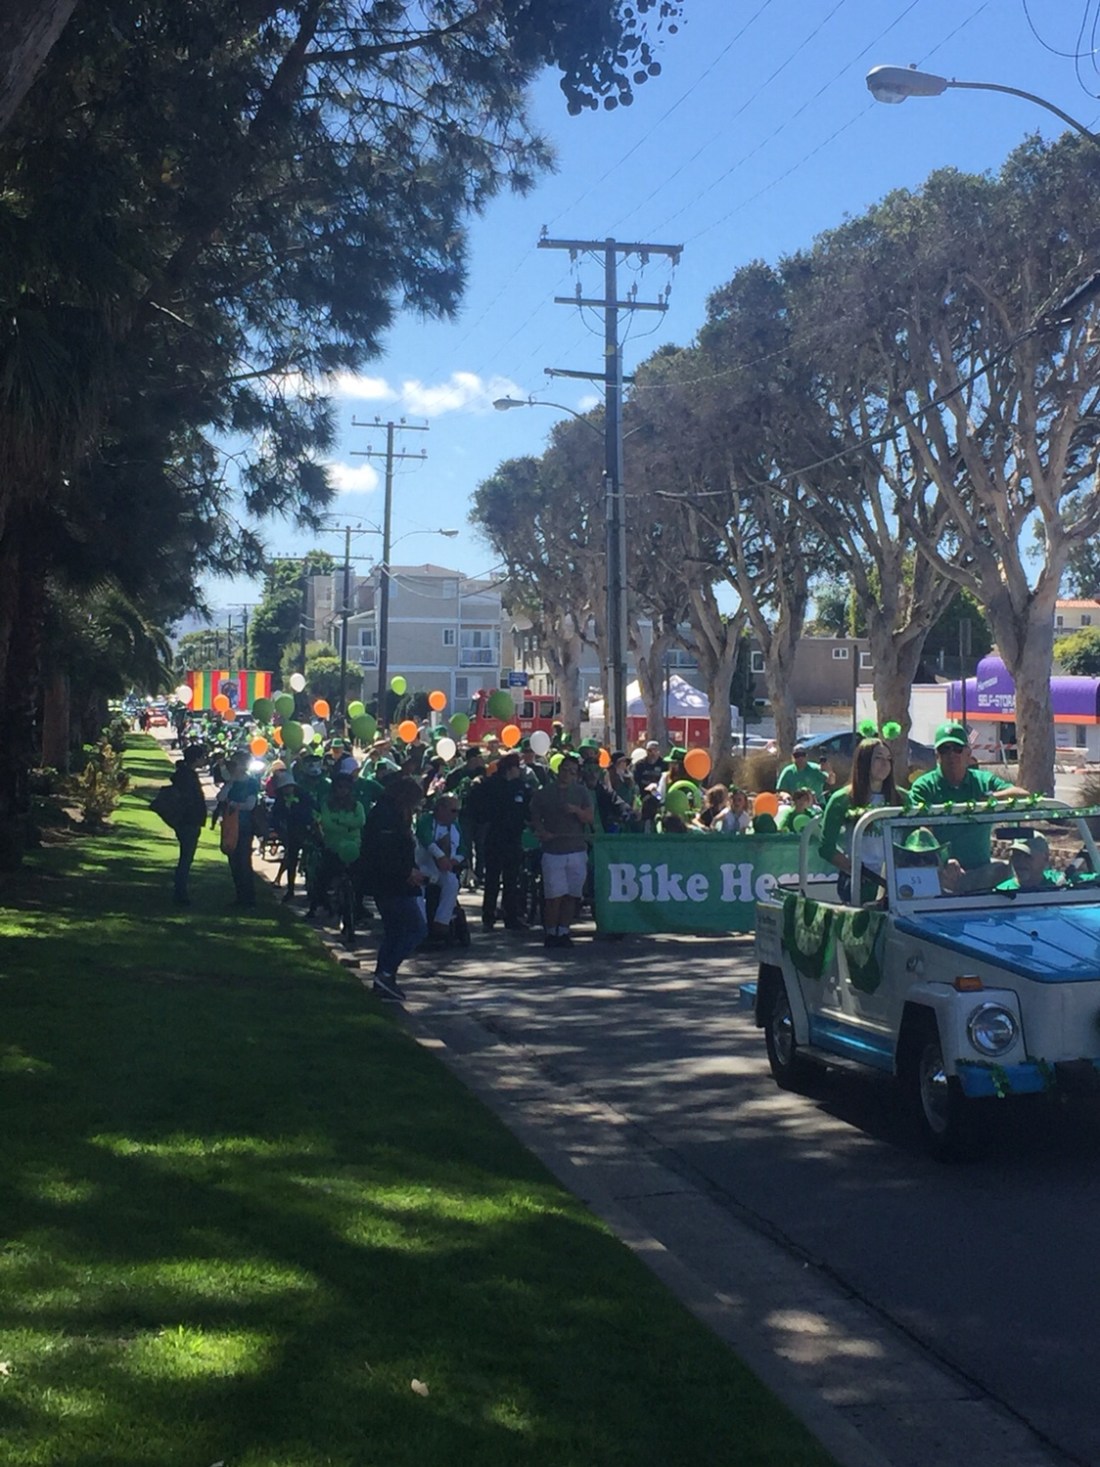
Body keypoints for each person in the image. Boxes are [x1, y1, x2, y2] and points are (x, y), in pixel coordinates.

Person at [909, 722, 1029, 886]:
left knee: (1002, 870)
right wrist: (943, 862)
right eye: (945, 749)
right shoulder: (924, 787)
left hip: (980, 874)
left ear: (968, 753)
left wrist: (990, 798)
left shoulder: (983, 781)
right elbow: (921, 834)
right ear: (937, 755)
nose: (951, 755)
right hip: (939, 874)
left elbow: (1023, 796)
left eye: (957, 749)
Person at [819, 737, 910, 903]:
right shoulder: (841, 799)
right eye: (878, 758)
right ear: (864, 761)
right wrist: (855, 870)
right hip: (859, 883)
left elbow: (913, 838)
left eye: (888, 759)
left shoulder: (903, 798)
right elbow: (826, 848)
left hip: (897, 880)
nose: (885, 764)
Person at [361, 775, 428, 1000]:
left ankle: (384, 977)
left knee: (394, 932)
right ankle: (387, 971)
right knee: (416, 929)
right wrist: (407, 871)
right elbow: (384, 853)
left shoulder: (391, 814)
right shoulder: (386, 817)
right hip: (391, 884)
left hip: (393, 881)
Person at [529, 752, 594, 949]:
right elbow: (533, 815)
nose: (568, 774)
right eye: (565, 770)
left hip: (576, 849)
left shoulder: (581, 792)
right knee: (553, 896)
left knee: (571, 895)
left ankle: (564, 931)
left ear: (577, 775)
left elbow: (589, 817)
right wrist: (541, 831)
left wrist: (576, 811)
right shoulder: (545, 792)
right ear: (559, 770)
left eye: (572, 772)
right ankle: (550, 932)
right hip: (553, 851)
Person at [480, 752, 530, 930]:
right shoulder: (491, 786)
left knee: (512, 878)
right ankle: (488, 915)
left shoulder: (521, 786)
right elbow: (481, 810)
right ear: (510, 768)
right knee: (492, 878)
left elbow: (527, 809)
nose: (519, 770)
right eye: (517, 767)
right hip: (495, 836)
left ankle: (511, 915)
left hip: (514, 837)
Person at [308, 772, 366, 919]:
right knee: (322, 878)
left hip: (354, 847)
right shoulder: (327, 805)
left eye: (346, 787)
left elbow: (360, 821)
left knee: (360, 880)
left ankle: (358, 909)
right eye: (340, 787)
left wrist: (339, 821)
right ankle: (316, 906)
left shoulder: (357, 806)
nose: (343, 790)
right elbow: (327, 824)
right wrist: (348, 825)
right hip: (332, 846)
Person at [211, 748, 260, 906]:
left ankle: (248, 898)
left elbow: (250, 805)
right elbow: (220, 797)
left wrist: (234, 804)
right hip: (230, 825)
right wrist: (230, 782)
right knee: (233, 860)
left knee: (243, 861)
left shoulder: (251, 783)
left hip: (244, 826)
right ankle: (239, 896)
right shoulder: (231, 782)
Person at [415, 793, 465, 937]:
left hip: (445, 869)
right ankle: (421, 924)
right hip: (423, 866)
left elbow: (463, 849)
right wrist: (440, 856)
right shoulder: (426, 820)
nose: (456, 814)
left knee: (452, 883)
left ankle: (441, 923)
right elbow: (425, 838)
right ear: (441, 809)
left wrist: (455, 860)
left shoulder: (455, 826)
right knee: (417, 889)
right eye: (453, 810)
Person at [269, 769, 315, 903]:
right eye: (284, 788)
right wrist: (277, 828)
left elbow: (311, 810)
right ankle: (290, 889)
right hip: (291, 832)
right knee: (291, 860)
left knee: (308, 862)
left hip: (306, 831)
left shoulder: (304, 796)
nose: (287, 790)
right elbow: (276, 816)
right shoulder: (280, 800)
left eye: (289, 786)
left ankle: (311, 890)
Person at [170, 744, 207, 905]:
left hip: (187, 820)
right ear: (196, 759)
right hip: (189, 821)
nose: (204, 760)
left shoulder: (185, 774)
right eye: (202, 757)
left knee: (186, 857)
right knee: (186, 858)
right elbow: (191, 800)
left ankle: (180, 890)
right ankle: (180, 893)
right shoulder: (188, 777)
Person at [995, 835, 1064, 892]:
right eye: (1016, 855)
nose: (1020, 862)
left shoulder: (1057, 886)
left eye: (1026, 856)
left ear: (1045, 858)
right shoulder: (1001, 893)